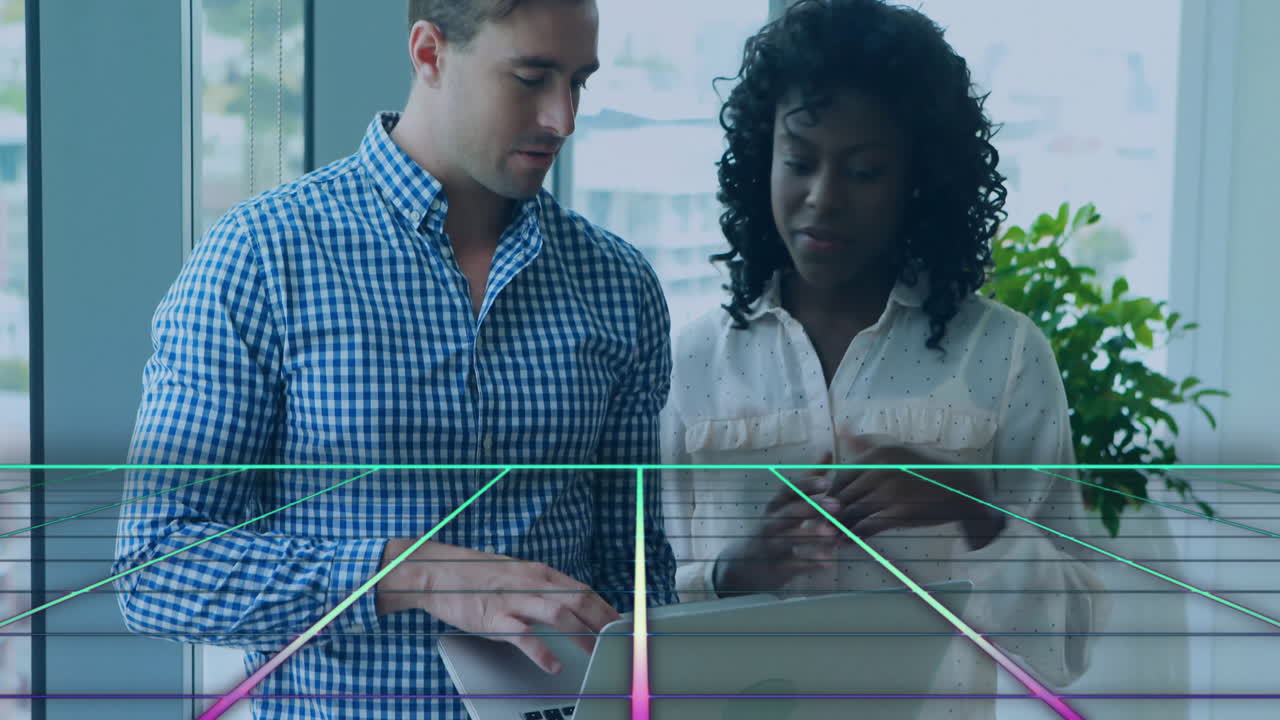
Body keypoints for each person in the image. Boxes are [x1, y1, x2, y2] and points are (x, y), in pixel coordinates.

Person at [112, 1, 677, 718]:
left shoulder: (619, 285)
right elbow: (157, 572)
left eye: (579, 83)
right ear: (430, 53)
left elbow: (639, 573)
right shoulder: (261, 258)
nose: (562, 118)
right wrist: (410, 573)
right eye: (531, 78)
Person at [661, 0, 1110, 716]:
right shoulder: (692, 362)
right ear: (760, 161)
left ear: (917, 180)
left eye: (865, 171)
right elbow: (641, 621)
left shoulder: (1005, 354)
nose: (823, 199)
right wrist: (732, 572)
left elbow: (1069, 649)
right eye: (799, 162)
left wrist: (976, 514)